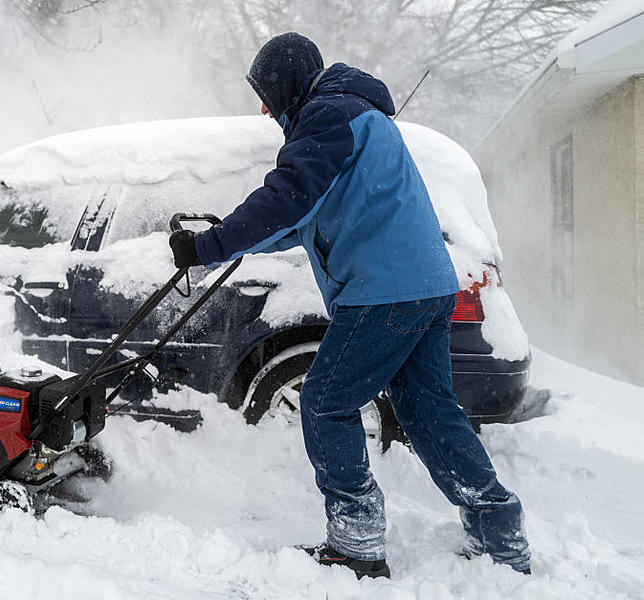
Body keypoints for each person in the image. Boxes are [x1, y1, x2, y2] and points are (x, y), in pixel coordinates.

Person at [168, 32, 531, 579]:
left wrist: (204, 247)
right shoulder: (355, 114)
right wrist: (226, 241)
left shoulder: (328, 115)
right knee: (429, 410)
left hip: (385, 292)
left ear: (289, 82)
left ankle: (356, 542)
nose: (265, 107)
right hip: (427, 285)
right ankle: (499, 530)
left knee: (325, 401)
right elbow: (305, 215)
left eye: (267, 92)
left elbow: (285, 196)